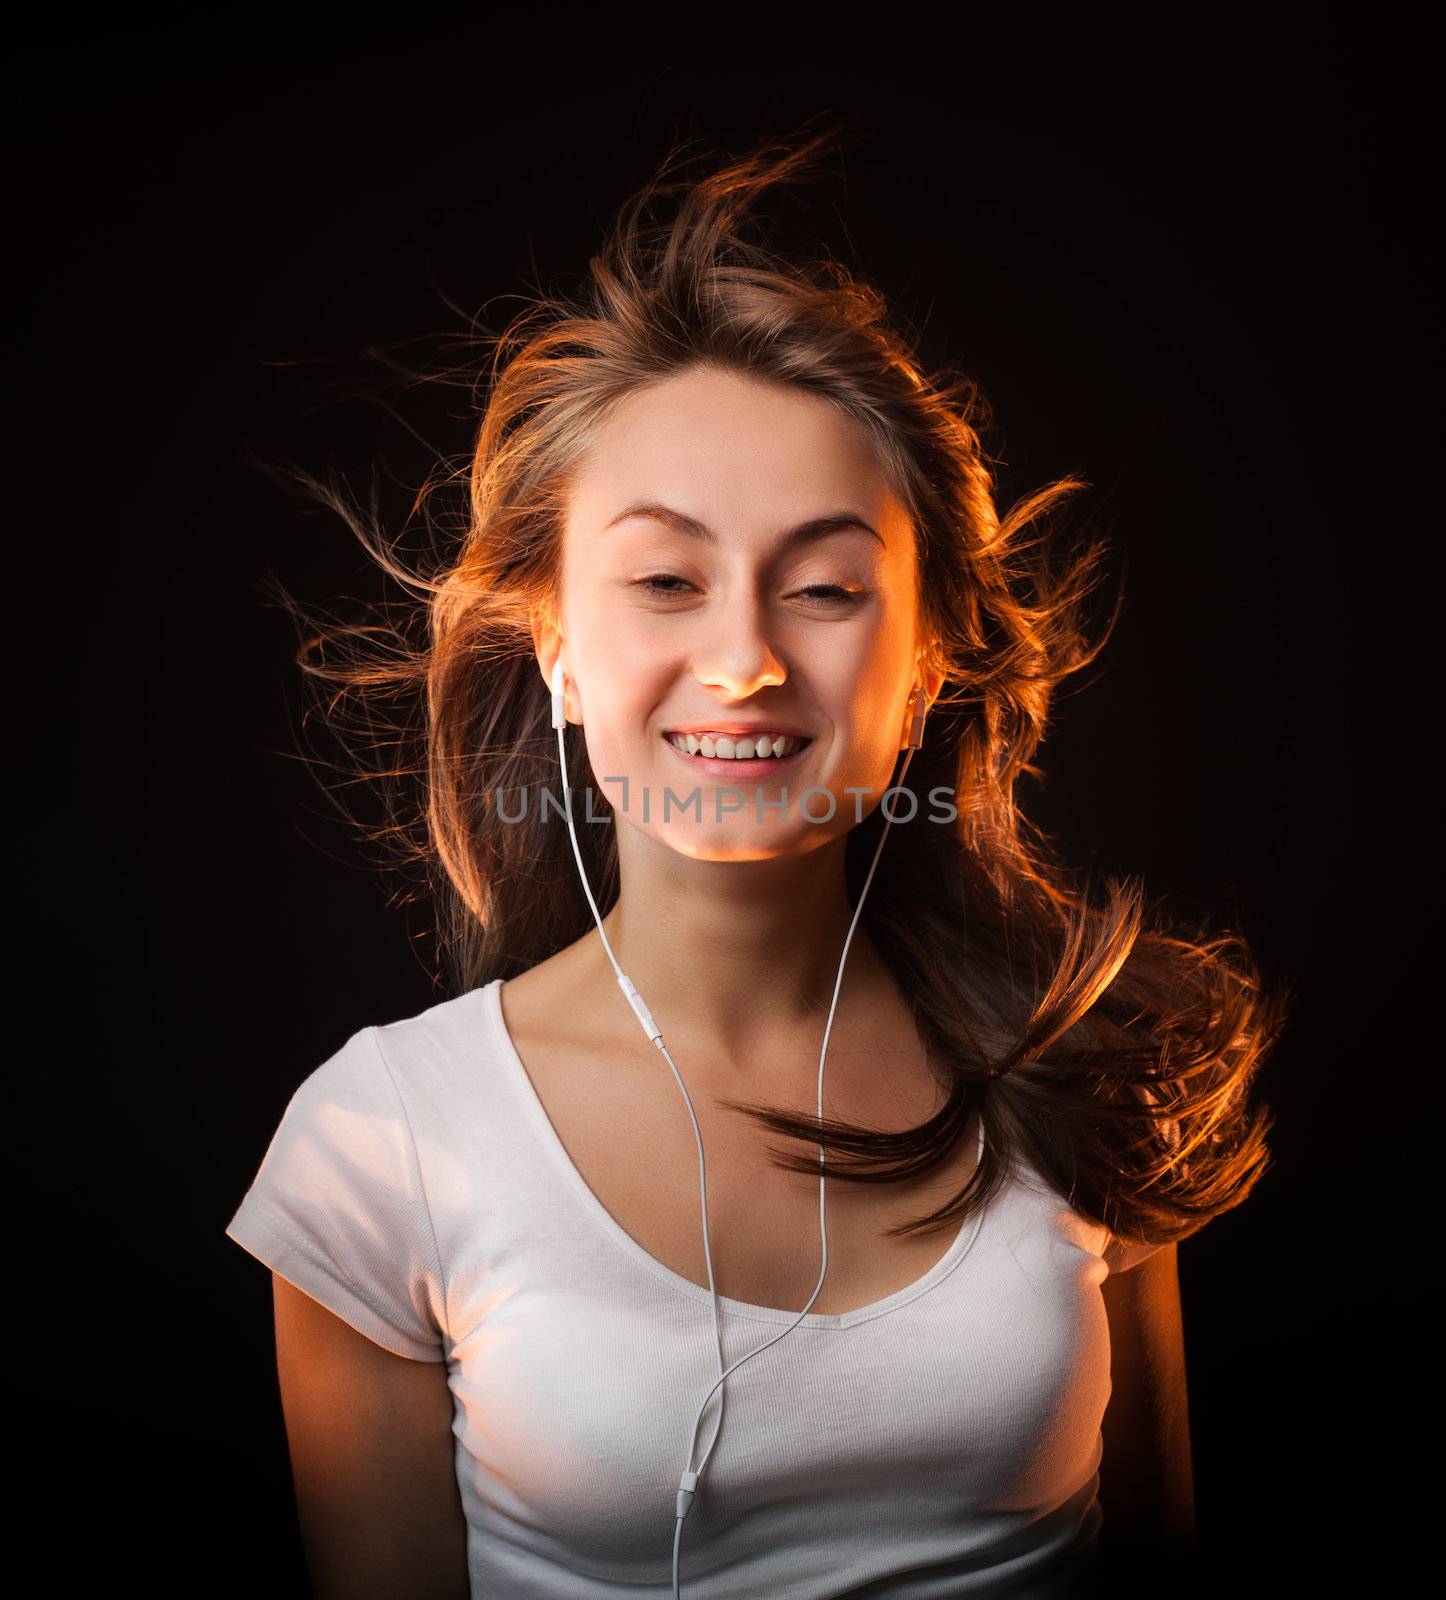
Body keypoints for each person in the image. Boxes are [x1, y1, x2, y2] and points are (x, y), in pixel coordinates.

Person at [225, 125, 1284, 1599]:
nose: (743, 663)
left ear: (924, 666)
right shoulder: (378, 1146)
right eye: (665, 581)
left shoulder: (1078, 1063)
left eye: (827, 587)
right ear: (557, 650)